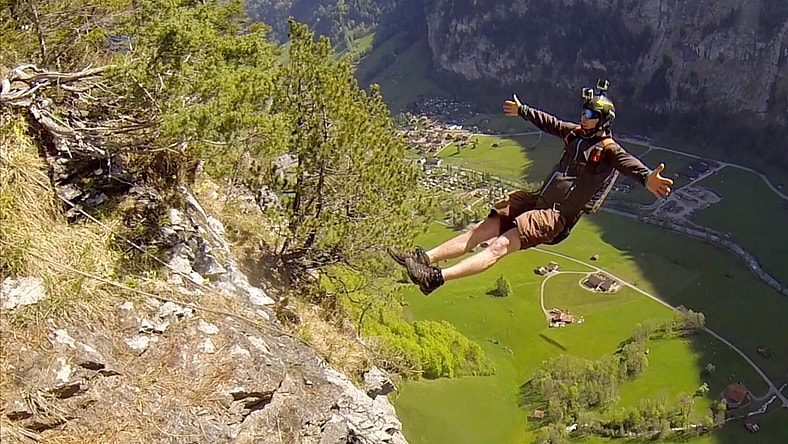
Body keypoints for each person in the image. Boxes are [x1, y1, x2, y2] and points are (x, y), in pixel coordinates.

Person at [389, 79, 674, 296]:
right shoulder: (576, 135)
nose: (584, 116)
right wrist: (523, 110)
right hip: (539, 200)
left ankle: (435, 278)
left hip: (555, 217)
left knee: (500, 245)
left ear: (603, 121)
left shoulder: (608, 150)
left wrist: (648, 178)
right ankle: (423, 258)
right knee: (484, 227)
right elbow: (550, 123)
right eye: (584, 111)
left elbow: (629, 164)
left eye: (590, 113)